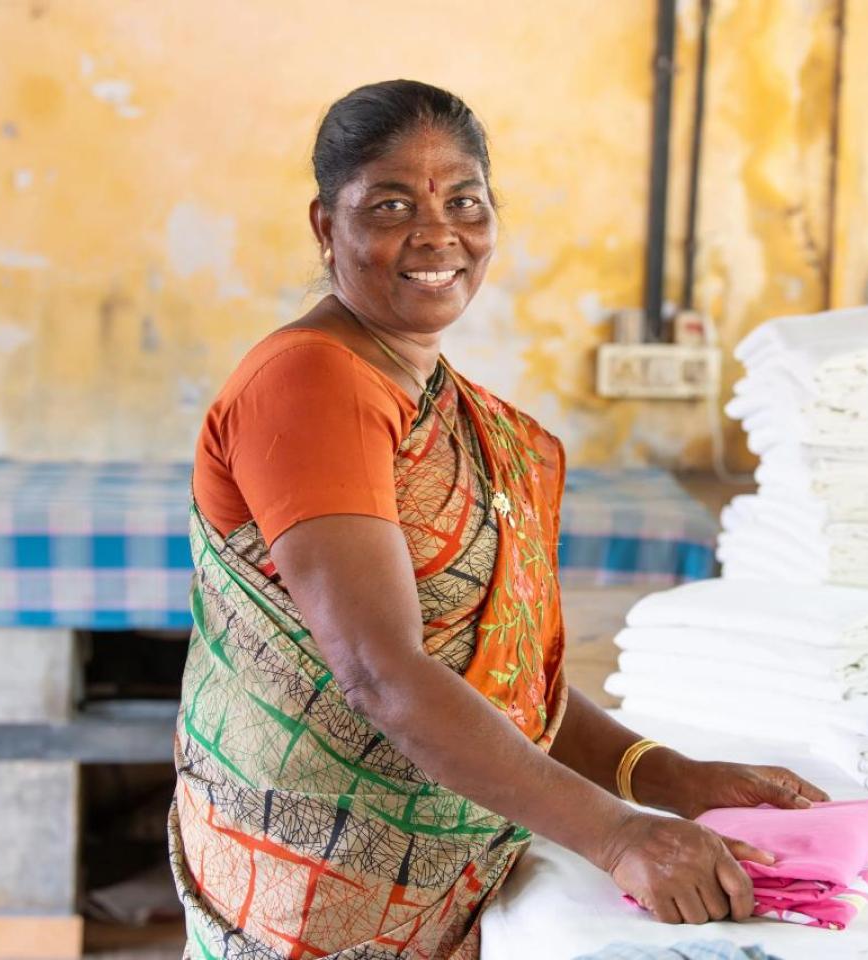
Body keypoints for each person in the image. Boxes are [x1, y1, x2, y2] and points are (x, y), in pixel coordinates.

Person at [170, 79, 827, 959]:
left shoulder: (438, 400)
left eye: (465, 201)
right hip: (319, 891)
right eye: (393, 203)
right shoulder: (311, 382)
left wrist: (671, 778)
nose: (438, 234)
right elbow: (381, 671)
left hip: (447, 874)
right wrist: (620, 835)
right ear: (327, 227)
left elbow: (501, 679)